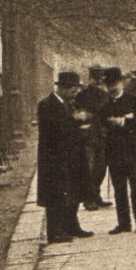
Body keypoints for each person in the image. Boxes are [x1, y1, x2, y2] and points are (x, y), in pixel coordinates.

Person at [36, 71, 90, 243]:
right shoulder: (46, 105)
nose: (75, 94)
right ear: (63, 88)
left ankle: (71, 225)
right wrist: (75, 122)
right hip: (54, 157)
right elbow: (53, 131)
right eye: (73, 91)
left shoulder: (68, 104)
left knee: (73, 191)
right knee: (55, 194)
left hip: (71, 155)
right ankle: (54, 232)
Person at [101, 67, 136, 234]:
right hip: (115, 153)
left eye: (114, 83)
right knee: (119, 190)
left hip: (134, 151)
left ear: (121, 82)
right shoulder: (105, 105)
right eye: (108, 84)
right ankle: (124, 223)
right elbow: (102, 126)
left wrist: (122, 122)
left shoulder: (134, 101)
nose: (111, 88)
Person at [74, 65, 111, 211]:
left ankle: (96, 195)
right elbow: (77, 113)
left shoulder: (105, 95)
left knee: (101, 167)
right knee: (89, 167)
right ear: (90, 78)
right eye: (96, 78)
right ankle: (89, 198)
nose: (98, 81)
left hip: (102, 135)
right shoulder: (81, 95)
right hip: (88, 136)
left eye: (100, 78)